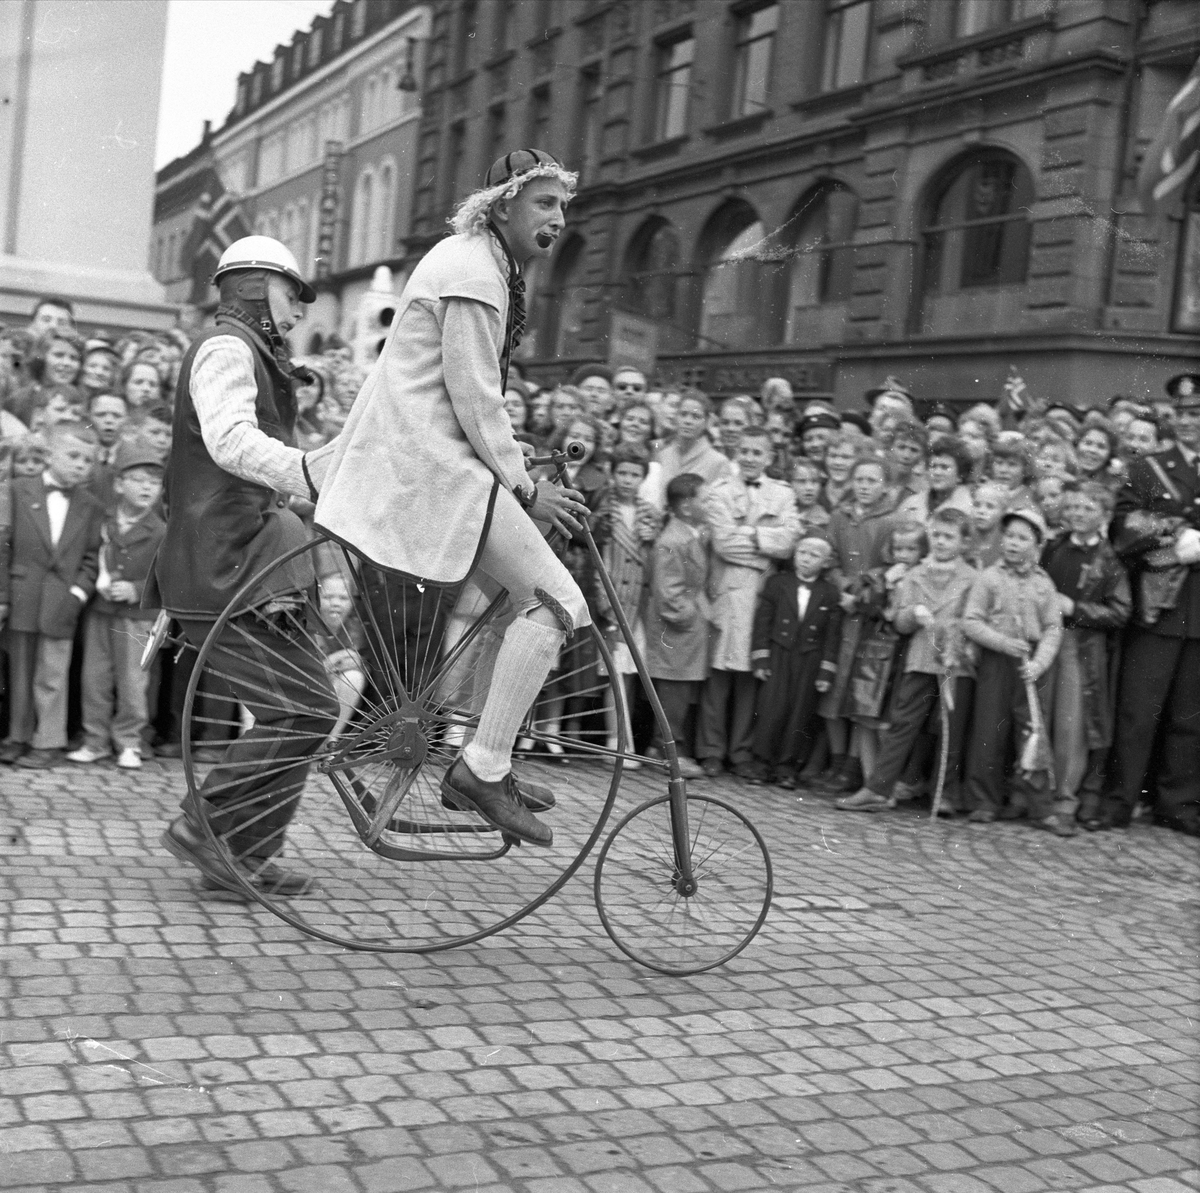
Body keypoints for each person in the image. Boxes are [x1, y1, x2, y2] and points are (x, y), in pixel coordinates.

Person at [315, 149, 590, 848]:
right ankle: (483, 763)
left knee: (512, 596)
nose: (558, 218)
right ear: (503, 205)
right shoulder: (474, 270)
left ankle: (484, 750)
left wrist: (513, 455)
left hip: (438, 457)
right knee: (559, 603)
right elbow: (472, 394)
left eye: (563, 205)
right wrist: (527, 487)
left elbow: (462, 393)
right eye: (544, 204)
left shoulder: (485, 262)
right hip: (433, 465)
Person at [150, 235, 341, 896]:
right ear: (256, 284)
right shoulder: (228, 347)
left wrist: (313, 471)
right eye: (293, 296)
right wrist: (314, 471)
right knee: (305, 709)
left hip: (242, 560)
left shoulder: (250, 351)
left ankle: (245, 856)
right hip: (219, 564)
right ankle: (208, 829)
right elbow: (231, 440)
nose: (296, 315)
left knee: (309, 706)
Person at [1105, 377, 1200, 837]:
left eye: (1197, 415)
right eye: (1182, 414)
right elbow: (1121, 526)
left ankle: (1177, 805)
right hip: (1157, 608)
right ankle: (1121, 798)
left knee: (1190, 717)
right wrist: (1174, 540)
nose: (1189, 422)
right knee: (1138, 711)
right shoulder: (1147, 469)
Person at [838, 507, 977, 814]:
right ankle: (878, 788)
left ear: (964, 542)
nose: (940, 542)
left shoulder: (973, 579)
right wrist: (912, 615)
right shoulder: (916, 574)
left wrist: (951, 630)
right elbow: (898, 621)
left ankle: (945, 793)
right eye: (936, 535)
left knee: (950, 727)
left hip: (955, 663)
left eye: (949, 537)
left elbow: (975, 619)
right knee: (902, 723)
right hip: (920, 657)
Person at [698, 426, 801, 778]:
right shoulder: (719, 492)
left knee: (750, 676)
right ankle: (712, 750)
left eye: (758, 452)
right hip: (726, 591)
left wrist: (749, 536)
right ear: (735, 452)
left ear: (770, 457)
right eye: (744, 451)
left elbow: (789, 543)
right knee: (719, 675)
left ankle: (741, 751)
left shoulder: (783, 494)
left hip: (764, 596)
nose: (750, 458)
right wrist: (765, 544)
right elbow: (723, 543)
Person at [0, 421, 104, 767]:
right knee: (21, 671)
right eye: (73, 456)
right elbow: (5, 544)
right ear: (49, 455)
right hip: (22, 593)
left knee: (53, 674)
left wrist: (76, 594)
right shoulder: (17, 490)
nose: (80, 465)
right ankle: (17, 736)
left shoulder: (90, 504)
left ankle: (48, 742)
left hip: (62, 600)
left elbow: (92, 558)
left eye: (87, 461)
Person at [68, 436, 167, 769]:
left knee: (132, 682)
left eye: (154, 483)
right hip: (101, 611)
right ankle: (94, 739)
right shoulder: (105, 520)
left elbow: (168, 577)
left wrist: (137, 589)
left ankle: (129, 741)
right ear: (120, 483)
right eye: (138, 480)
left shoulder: (161, 530)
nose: (146, 488)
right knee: (94, 678)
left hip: (137, 617)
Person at [961, 507, 1063, 826]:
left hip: (1030, 667)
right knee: (989, 729)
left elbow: (1052, 628)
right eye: (1009, 536)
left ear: (1037, 545)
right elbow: (971, 621)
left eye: (1022, 538)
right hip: (997, 660)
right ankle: (984, 801)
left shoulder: (1045, 585)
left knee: (1032, 733)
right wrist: (1003, 643)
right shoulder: (989, 578)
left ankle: (1041, 806)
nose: (1013, 543)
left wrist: (1039, 663)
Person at [1041, 482, 1130, 833]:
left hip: (1079, 646)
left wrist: (1076, 608)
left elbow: (1121, 611)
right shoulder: (1054, 547)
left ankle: (1065, 799)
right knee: (1039, 716)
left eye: (1087, 508)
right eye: (1073, 506)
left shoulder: (1109, 560)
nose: (1077, 513)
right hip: (1043, 639)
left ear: (1104, 515)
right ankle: (1034, 795)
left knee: (1070, 726)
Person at [746, 536, 841, 789]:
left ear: (825, 562)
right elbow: (762, 623)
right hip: (778, 653)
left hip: (810, 658)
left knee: (799, 712)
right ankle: (760, 764)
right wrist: (761, 658)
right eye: (803, 553)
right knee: (771, 708)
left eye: (814, 555)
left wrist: (826, 672)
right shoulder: (777, 583)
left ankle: (786, 768)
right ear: (794, 555)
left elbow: (832, 636)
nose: (807, 559)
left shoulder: (829, 592)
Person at [643, 473, 711, 780]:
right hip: (677, 631)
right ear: (685, 507)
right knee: (674, 692)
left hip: (686, 631)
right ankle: (668, 751)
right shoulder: (672, 541)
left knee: (679, 691)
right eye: (704, 499)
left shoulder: (688, 535)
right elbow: (668, 594)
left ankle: (666, 748)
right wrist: (693, 616)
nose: (709, 504)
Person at [594, 443, 659, 763]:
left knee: (630, 673)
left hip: (639, 604)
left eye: (635, 474)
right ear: (613, 474)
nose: (627, 480)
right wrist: (605, 601)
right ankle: (615, 740)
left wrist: (650, 540)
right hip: (615, 600)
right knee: (614, 672)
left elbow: (654, 561)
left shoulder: (650, 515)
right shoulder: (605, 512)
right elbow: (601, 559)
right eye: (622, 473)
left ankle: (626, 739)